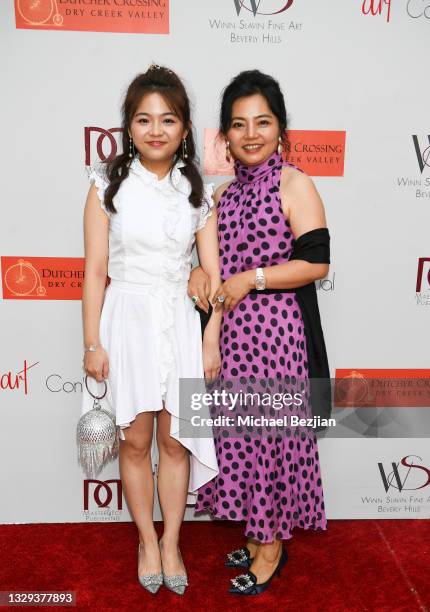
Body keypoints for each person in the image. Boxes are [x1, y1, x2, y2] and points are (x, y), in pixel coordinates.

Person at [81, 65, 221, 595]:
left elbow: (213, 276)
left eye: (168, 119)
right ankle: (145, 538)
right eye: (144, 119)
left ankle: (172, 541)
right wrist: (92, 340)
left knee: (177, 442)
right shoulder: (104, 186)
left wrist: (210, 338)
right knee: (135, 441)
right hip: (127, 321)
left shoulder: (197, 193)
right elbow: (96, 269)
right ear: (129, 126)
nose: (156, 129)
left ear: (185, 128)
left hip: (182, 326)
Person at [190, 69, 331, 596]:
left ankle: (271, 549)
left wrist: (254, 279)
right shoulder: (222, 196)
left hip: (278, 338)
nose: (251, 134)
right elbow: (209, 264)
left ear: (280, 127)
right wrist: (199, 274)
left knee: (270, 440)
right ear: (224, 136)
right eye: (239, 124)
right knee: (240, 440)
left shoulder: (295, 183)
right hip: (230, 338)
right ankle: (256, 536)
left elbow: (316, 264)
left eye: (263, 122)